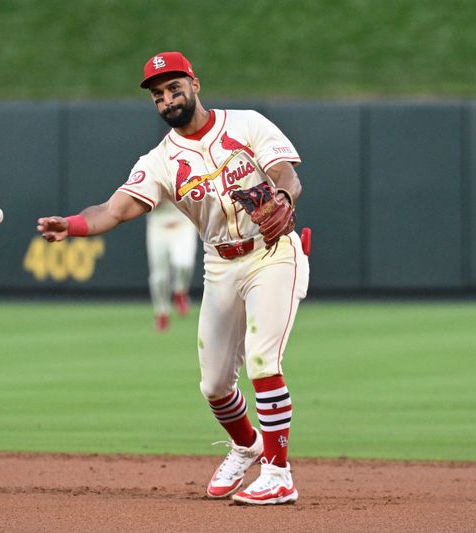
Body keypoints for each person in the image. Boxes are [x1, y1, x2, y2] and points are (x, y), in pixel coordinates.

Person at [38, 51, 309, 505]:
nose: (167, 98)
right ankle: (248, 446)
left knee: (263, 362)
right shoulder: (161, 160)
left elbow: (286, 173)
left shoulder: (247, 124)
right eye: (158, 94)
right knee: (215, 385)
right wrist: (74, 224)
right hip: (220, 264)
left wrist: (281, 194)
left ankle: (279, 473)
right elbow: (113, 209)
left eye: (173, 87)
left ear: (194, 84)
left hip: (273, 253)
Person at [145, 197, 198, 332]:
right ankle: (162, 312)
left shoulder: (185, 175)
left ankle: (180, 291)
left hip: (183, 223)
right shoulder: (150, 175)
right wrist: (160, 197)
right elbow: (143, 203)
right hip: (158, 226)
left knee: (184, 263)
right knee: (159, 277)